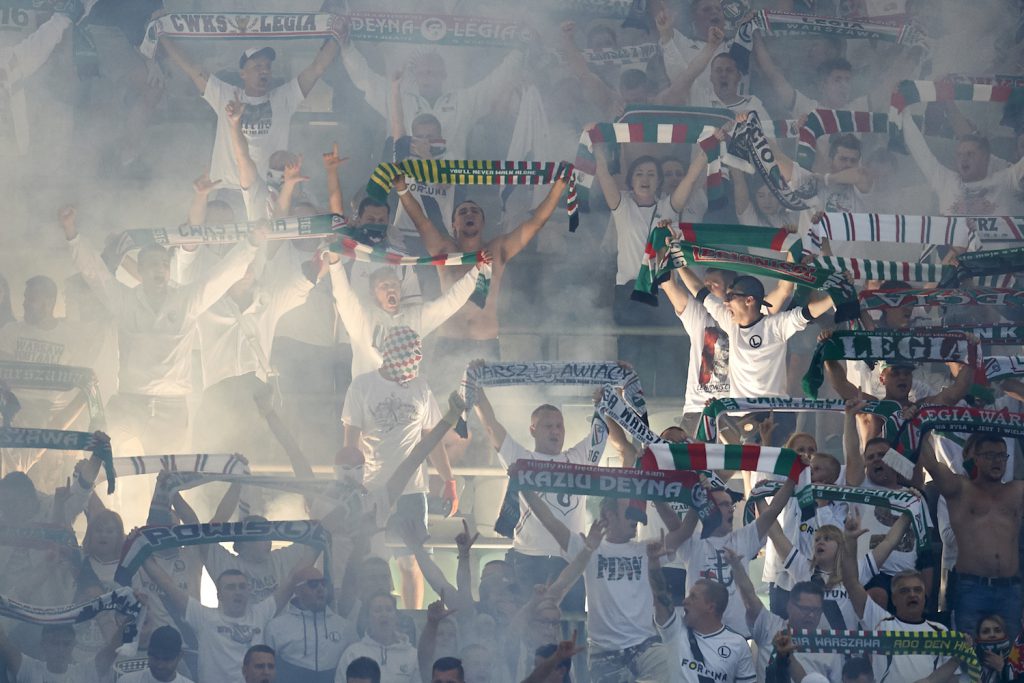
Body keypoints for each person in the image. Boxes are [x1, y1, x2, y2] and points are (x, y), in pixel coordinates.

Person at [59, 204, 264, 454]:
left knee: (166, 475)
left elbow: (219, 278)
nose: (159, 269)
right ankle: (87, 493)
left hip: (172, 407)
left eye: (164, 264)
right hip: (129, 401)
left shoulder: (185, 300)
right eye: (153, 264)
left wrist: (251, 244)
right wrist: (72, 233)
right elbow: (95, 274)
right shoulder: (125, 301)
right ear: (141, 271)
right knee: (95, 453)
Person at [393, 169, 567, 373]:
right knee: (442, 403)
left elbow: (536, 223)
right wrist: (402, 189)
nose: (469, 214)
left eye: (475, 212)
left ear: (482, 223)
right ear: (454, 224)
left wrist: (559, 187)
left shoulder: (497, 250)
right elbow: (421, 222)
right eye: (463, 212)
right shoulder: (444, 250)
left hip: (485, 343)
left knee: (488, 402)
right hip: (449, 341)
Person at [339, 326, 457, 609]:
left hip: (413, 491)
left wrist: (448, 480)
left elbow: (433, 440)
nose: (414, 361)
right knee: (370, 558)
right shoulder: (362, 386)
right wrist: (348, 485)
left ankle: (412, 615)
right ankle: (367, 615)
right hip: (372, 488)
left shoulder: (421, 386)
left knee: (411, 559)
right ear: (393, 354)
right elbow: (350, 444)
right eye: (410, 355)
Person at [523, 493, 679, 682]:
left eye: (639, 514)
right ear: (609, 515)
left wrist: (656, 495)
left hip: (645, 645)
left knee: (671, 668)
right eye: (630, 513)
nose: (637, 520)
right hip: (604, 651)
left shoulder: (647, 549)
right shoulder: (589, 546)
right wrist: (522, 485)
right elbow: (550, 522)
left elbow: (681, 531)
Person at [472, 384, 593, 611]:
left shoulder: (578, 458)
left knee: (571, 622)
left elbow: (601, 433)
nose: (555, 431)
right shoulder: (521, 459)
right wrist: (476, 389)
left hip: (571, 559)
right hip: (529, 559)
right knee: (528, 624)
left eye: (559, 426)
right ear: (533, 430)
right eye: (548, 426)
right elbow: (491, 427)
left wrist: (612, 394)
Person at [158, 36, 339, 188]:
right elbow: (192, 69)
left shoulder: (284, 97)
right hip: (228, 188)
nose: (264, 71)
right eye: (257, 66)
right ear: (242, 73)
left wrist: (337, 35)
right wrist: (162, 35)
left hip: (267, 190)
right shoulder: (226, 94)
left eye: (267, 66)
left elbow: (317, 68)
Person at [338, 32, 522, 159]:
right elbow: (366, 80)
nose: (428, 77)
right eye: (424, 72)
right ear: (415, 76)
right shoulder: (401, 101)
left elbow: (494, 83)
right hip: (408, 187)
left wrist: (519, 51)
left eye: (434, 72)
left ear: (444, 75)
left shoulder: (463, 102)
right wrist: (347, 48)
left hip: (449, 187)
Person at [325, 237, 490, 378]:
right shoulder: (361, 318)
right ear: (372, 292)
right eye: (384, 285)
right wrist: (334, 261)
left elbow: (450, 301)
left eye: (394, 285)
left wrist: (476, 271)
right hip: (369, 396)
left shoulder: (415, 318)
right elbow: (343, 294)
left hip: (405, 399)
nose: (390, 289)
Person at [919, 431, 1024, 640]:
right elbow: (929, 462)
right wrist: (917, 424)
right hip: (971, 587)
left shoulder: (1017, 490)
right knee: (966, 654)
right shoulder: (960, 488)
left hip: (1010, 588)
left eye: (1002, 456)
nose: (997, 461)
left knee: (1012, 658)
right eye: (990, 455)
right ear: (975, 458)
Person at [660, 478, 796, 636]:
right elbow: (672, 521)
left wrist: (792, 479)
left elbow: (774, 510)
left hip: (739, 635)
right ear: (710, 509)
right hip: (700, 636)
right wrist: (697, 502)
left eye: (730, 504)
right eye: (724, 505)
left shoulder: (744, 538)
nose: (731, 509)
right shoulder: (693, 542)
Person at [673, 268, 834, 399]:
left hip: (774, 411)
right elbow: (699, 291)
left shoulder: (776, 325)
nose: (726, 302)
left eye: (730, 296)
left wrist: (835, 296)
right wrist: (678, 259)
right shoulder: (729, 321)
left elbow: (808, 312)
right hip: (741, 414)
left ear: (749, 300)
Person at [142, 560, 305, 683]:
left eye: (242, 587)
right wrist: (141, 551)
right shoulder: (204, 617)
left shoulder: (261, 614)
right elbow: (166, 583)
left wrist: (316, 542)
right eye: (231, 587)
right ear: (219, 595)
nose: (238, 592)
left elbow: (292, 580)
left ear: (249, 591)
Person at [648, 541, 756, 683]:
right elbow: (660, 595)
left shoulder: (738, 644)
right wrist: (653, 564)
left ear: (711, 607)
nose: (684, 601)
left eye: (693, 597)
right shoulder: (674, 630)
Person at [730, 550, 843, 683]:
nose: (811, 615)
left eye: (816, 610)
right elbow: (749, 598)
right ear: (790, 606)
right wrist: (737, 567)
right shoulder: (769, 625)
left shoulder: (829, 646)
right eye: (805, 609)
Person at [901, 109, 1024, 215]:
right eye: (959, 154)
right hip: (952, 244)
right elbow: (919, 149)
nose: (963, 159)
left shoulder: (1005, 181)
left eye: (970, 154)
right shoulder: (945, 180)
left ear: (986, 158)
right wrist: (904, 111)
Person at [265, 566, 353, 683]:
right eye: (313, 584)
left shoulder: (345, 627)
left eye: (323, 583)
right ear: (297, 590)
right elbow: (266, 671)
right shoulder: (275, 627)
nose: (320, 588)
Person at [0, 620, 121, 683]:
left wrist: (132, 618)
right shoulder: (29, 669)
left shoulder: (84, 672)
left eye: (66, 644)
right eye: (54, 643)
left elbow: (113, 647)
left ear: (73, 645)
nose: (60, 649)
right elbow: (4, 643)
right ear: (43, 644)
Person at [337, 592, 419, 683]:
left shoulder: (412, 655)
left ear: (396, 616)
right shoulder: (352, 654)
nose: (384, 614)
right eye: (377, 610)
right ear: (368, 617)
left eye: (389, 610)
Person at [118, 625, 192, 683]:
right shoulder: (128, 681)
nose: (160, 665)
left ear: (179, 656)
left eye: (166, 659)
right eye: (155, 658)